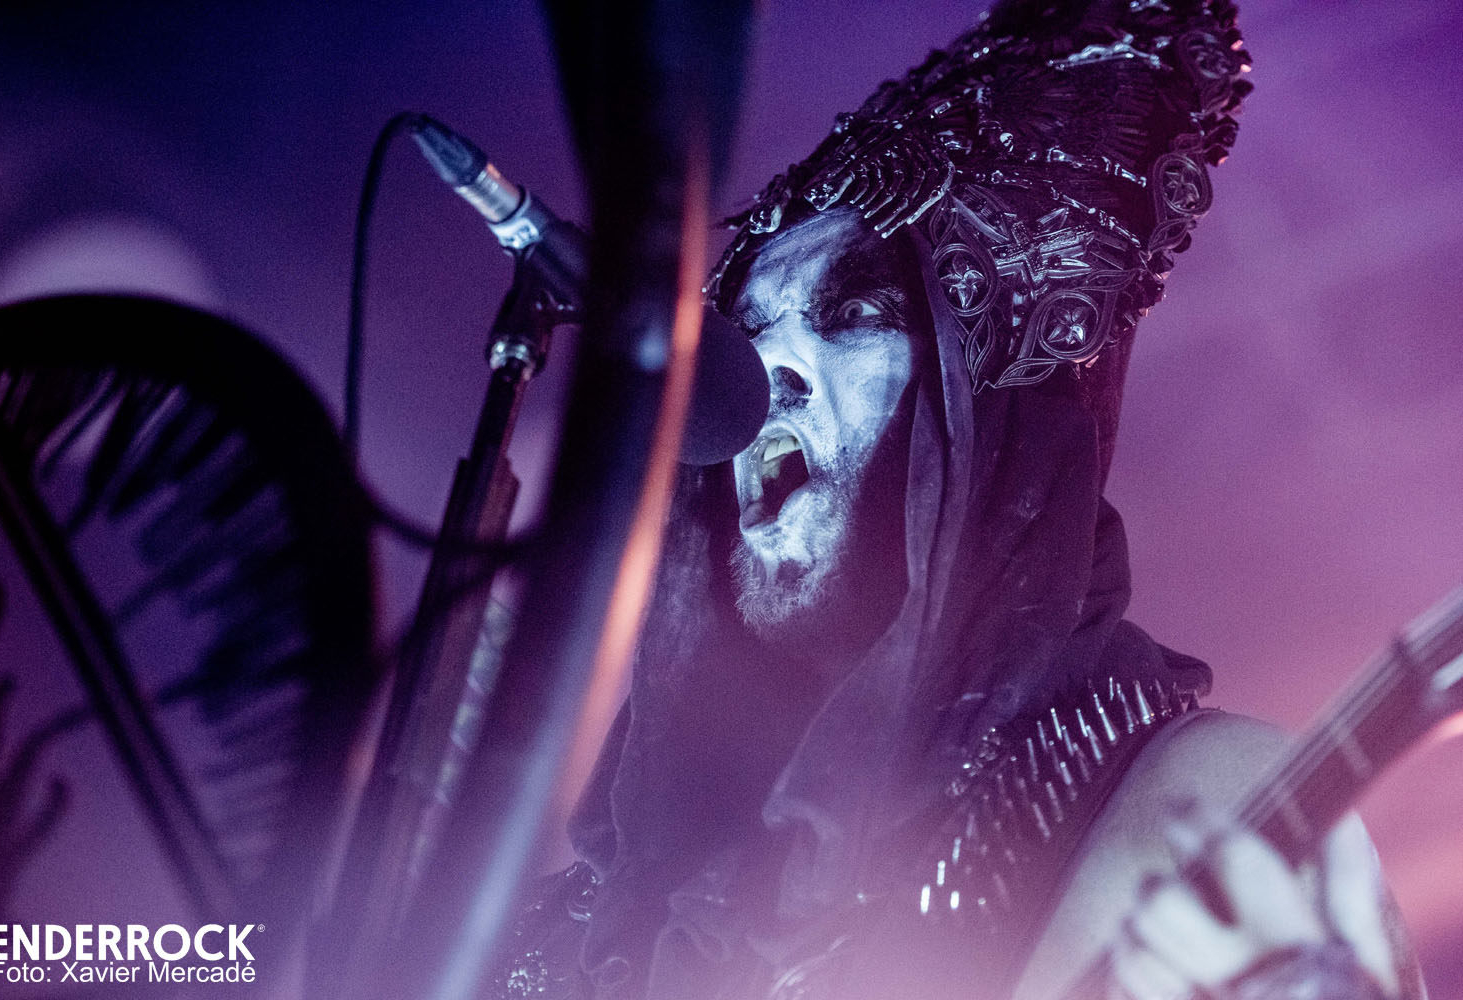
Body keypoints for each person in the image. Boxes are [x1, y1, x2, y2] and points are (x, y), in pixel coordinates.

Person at [493, 1, 1426, 998]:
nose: (770, 369)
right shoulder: (580, 921)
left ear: (986, 435)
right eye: (749, 331)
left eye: (853, 316)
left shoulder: (1194, 801)